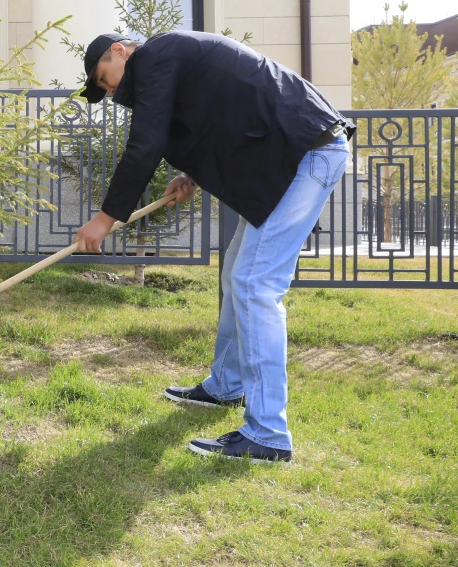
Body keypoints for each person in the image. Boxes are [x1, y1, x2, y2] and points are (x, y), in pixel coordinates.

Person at [73, 31, 354, 464]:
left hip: (303, 152)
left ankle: (268, 435)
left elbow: (147, 141)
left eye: (104, 78)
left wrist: (105, 218)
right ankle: (225, 385)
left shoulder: (154, 55)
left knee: (255, 284)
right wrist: (191, 174)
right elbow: (218, 118)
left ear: (118, 51)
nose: (109, 91)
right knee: (236, 273)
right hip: (286, 157)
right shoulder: (168, 61)